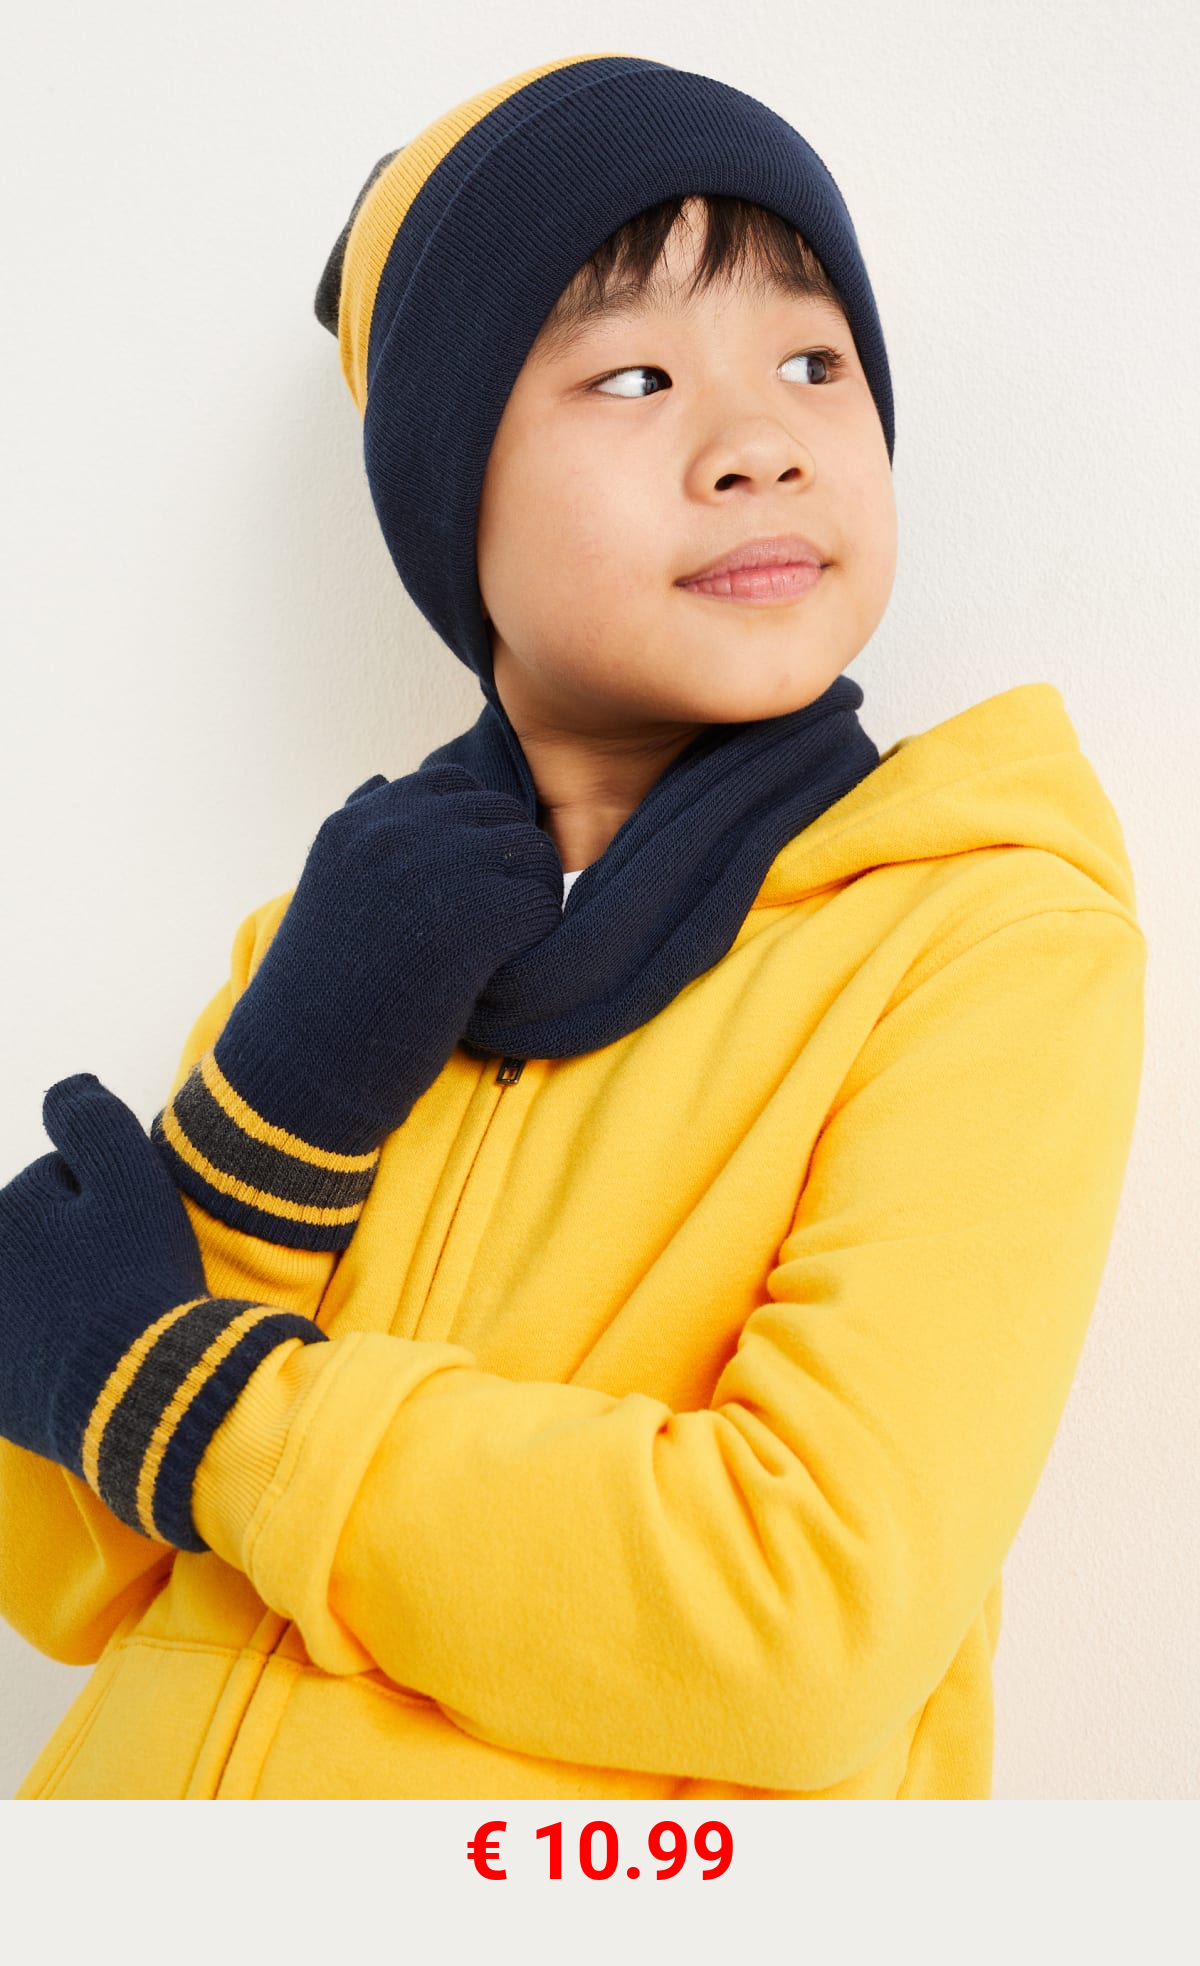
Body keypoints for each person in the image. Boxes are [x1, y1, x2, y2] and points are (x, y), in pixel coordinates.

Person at [0, 51, 1146, 1801]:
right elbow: (70, 1574)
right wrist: (273, 1113)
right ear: (449, 487)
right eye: (632, 375)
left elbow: (798, 1625)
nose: (759, 441)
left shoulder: (977, 941)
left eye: (814, 362)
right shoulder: (335, 939)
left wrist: (206, 1401)